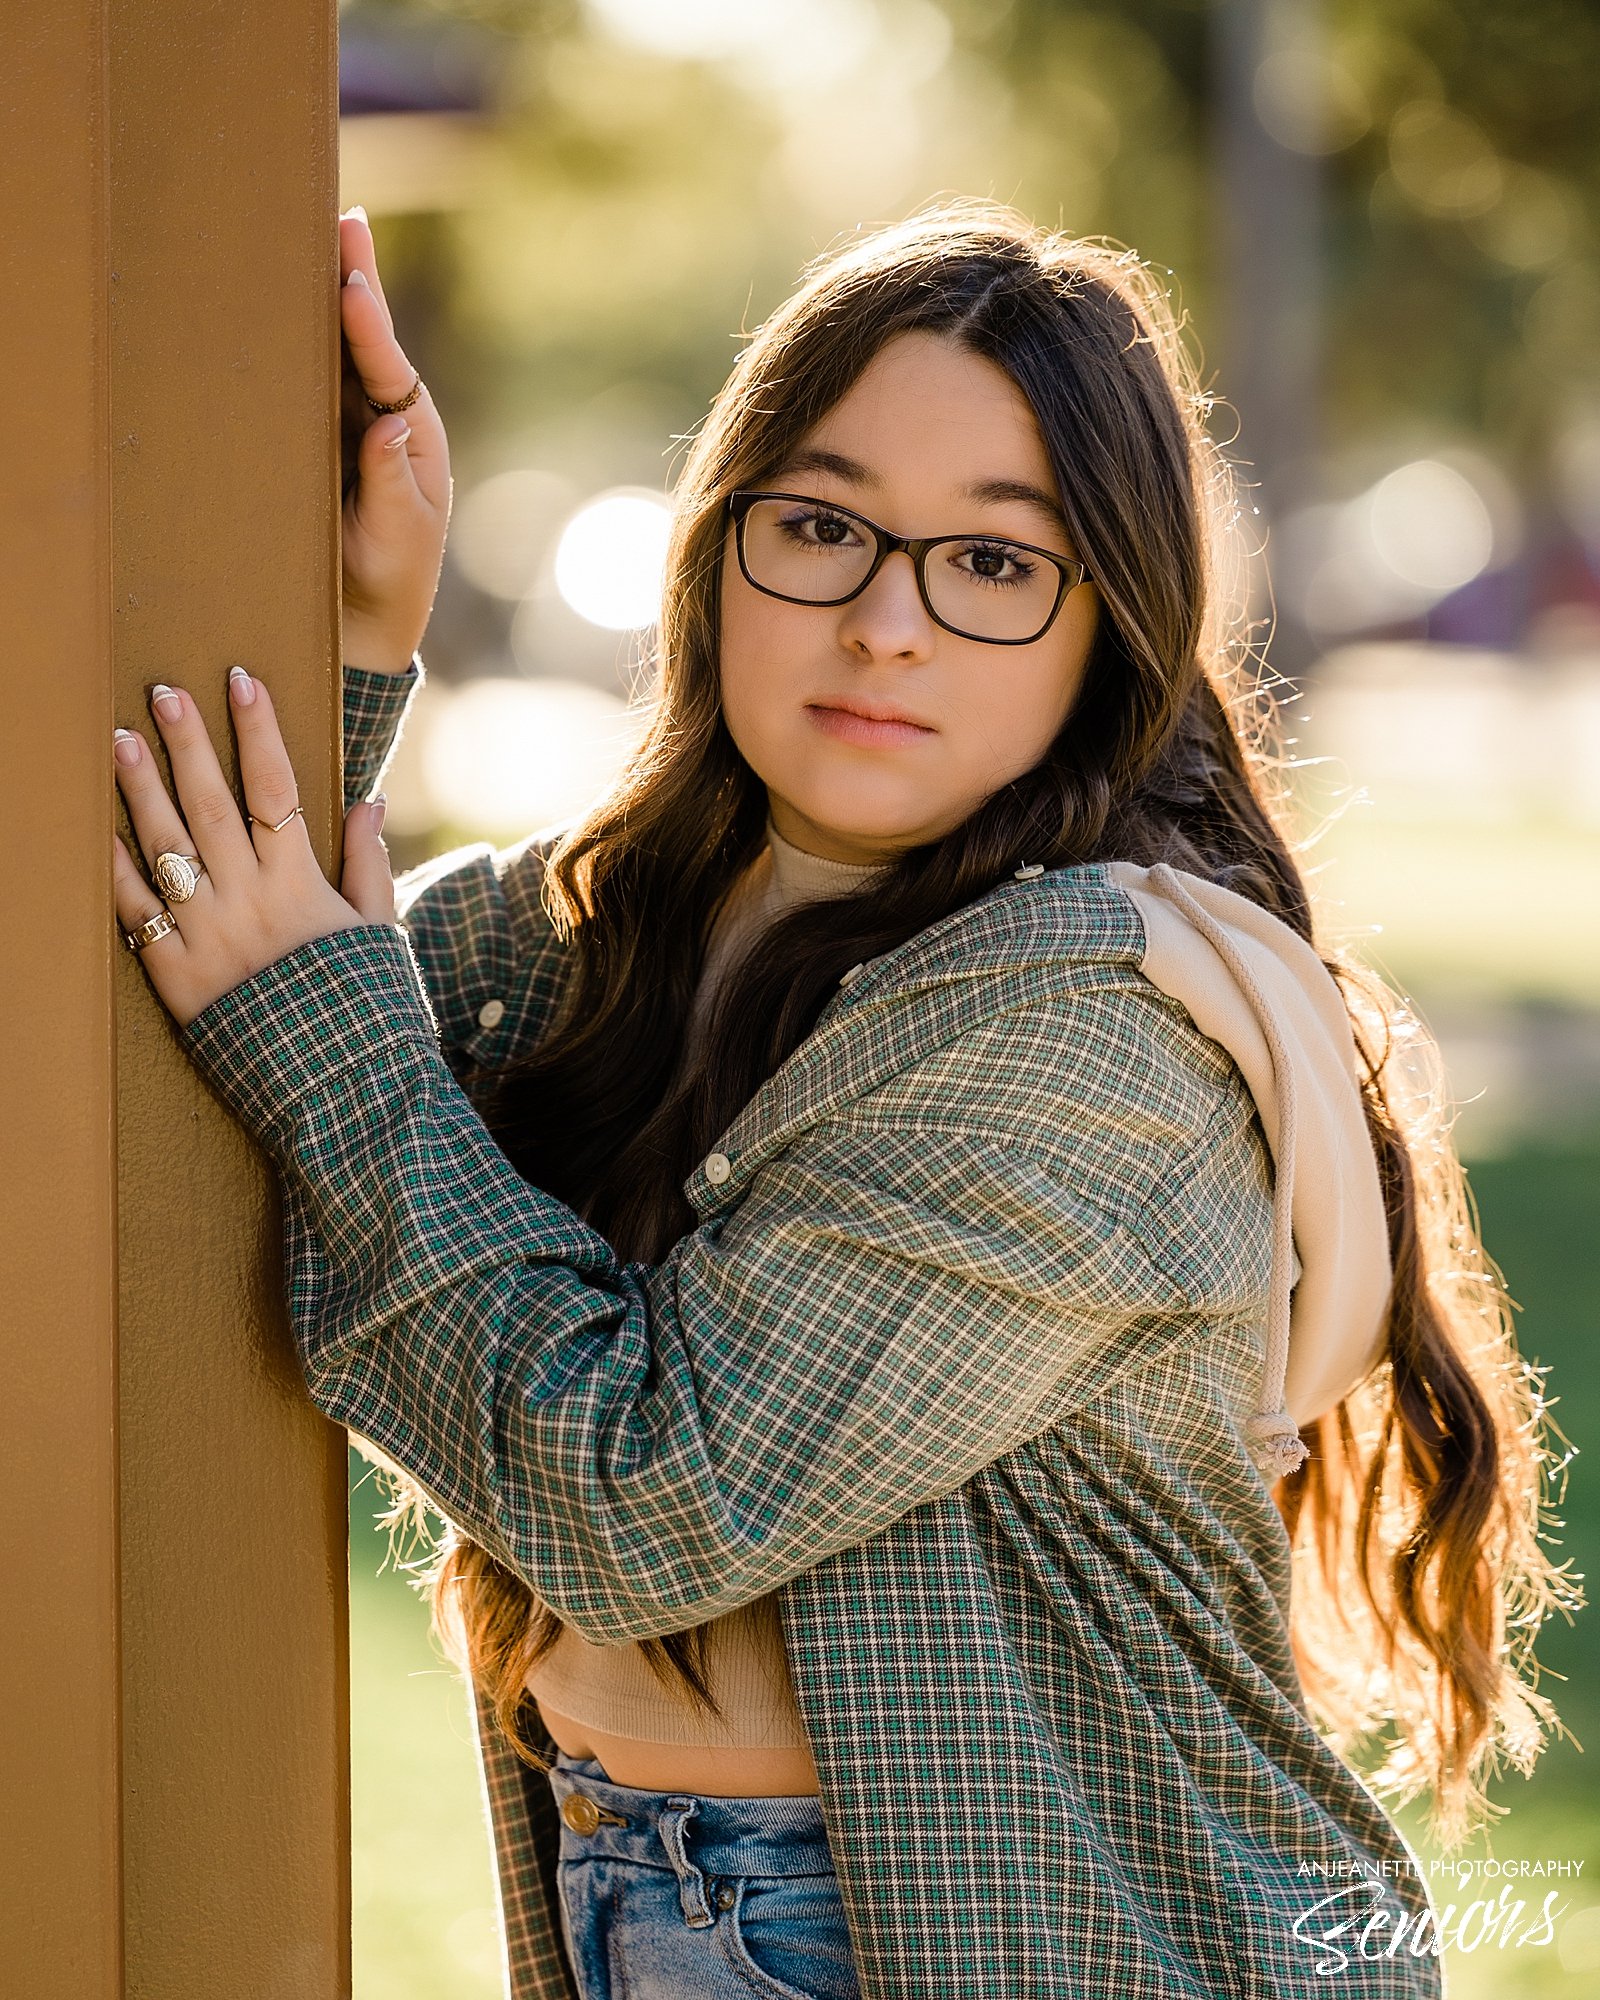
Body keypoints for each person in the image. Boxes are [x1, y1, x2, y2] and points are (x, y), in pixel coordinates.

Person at [110, 201, 1577, 2000]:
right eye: (819, 528)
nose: (888, 622)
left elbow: (646, 1493)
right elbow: (276, 1024)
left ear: (1108, 624)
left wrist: (311, 1014)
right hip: (644, 1882)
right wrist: (348, 631)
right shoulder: (609, 933)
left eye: (992, 564)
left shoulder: (1098, 1037)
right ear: (714, 555)